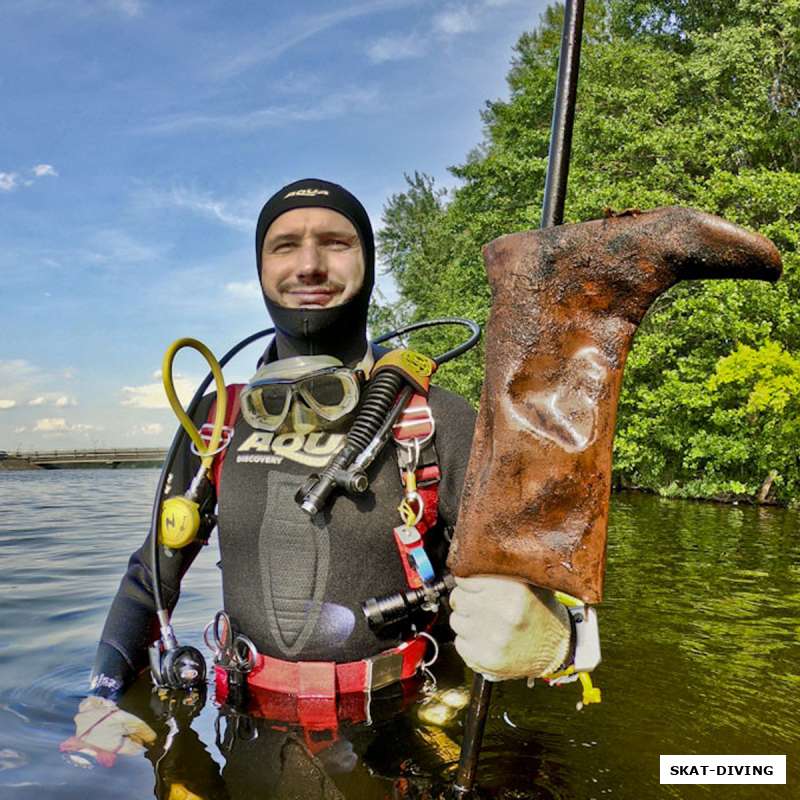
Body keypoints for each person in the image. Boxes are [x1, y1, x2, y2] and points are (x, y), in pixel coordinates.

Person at [64, 179, 574, 778]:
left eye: (335, 242)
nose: (309, 264)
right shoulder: (216, 420)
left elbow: (529, 591)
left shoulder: (440, 418)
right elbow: (149, 578)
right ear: (259, 269)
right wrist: (99, 698)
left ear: (370, 264)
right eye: (285, 246)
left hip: (404, 727)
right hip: (246, 727)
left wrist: (560, 644)